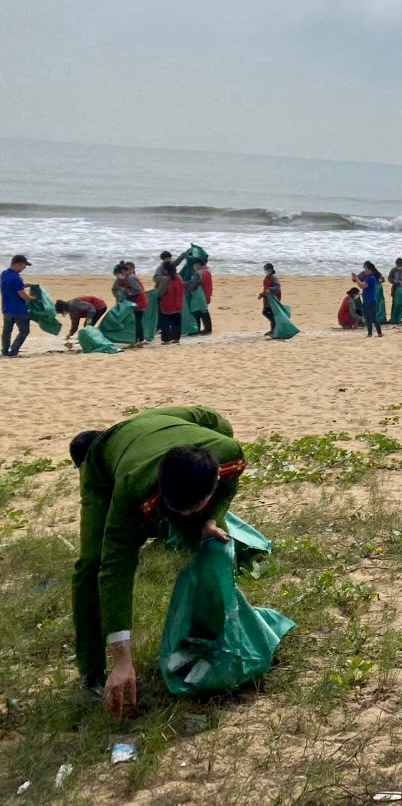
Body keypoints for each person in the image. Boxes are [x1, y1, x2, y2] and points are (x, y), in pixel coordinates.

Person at [69, 406, 244, 715]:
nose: (185, 517)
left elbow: (225, 481)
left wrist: (211, 519)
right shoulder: (132, 489)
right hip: (106, 456)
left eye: (191, 509)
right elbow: (115, 569)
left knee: (211, 543)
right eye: (175, 511)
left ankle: (210, 641)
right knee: (91, 563)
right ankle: (91, 674)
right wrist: (122, 659)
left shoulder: (228, 452)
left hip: (161, 423)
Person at [2, 254, 34, 358]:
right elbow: (22, 294)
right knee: (24, 331)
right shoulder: (16, 278)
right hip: (19, 309)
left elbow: (9, 287)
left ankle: (5, 351)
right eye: (24, 265)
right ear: (18, 264)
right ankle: (14, 351)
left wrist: (26, 285)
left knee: (7, 331)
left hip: (6, 308)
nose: (24, 268)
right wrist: (32, 299)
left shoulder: (4, 274)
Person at [155, 260, 185, 345]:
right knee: (176, 322)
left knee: (165, 322)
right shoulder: (179, 278)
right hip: (178, 303)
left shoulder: (166, 280)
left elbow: (160, 292)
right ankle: (176, 338)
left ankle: (166, 339)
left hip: (167, 304)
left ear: (165, 270)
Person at [121, 262, 149, 345]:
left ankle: (140, 339)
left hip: (139, 302)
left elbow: (137, 290)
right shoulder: (131, 277)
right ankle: (138, 339)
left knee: (137, 321)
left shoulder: (130, 278)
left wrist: (126, 291)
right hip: (139, 301)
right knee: (137, 321)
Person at [354, 262, 384, 338]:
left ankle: (379, 333)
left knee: (373, 318)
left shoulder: (371, 278)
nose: (365, 271)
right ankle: (369, 333)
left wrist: (356, 278)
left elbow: (361, 286)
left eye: (366, 269)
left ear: (370, 270)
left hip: (371, 302)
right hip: (366, 301)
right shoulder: (368, 277)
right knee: (367, 319)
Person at [186, 260, 212, 335]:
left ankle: (196, 329)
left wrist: (188, 288)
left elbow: (194, 285)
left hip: (199, 295)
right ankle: (208, 329)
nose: (194, 266)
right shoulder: (207, 271)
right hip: (207, 293)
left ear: (198, 264)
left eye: (195, 264)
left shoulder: (198, 273)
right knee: (205, 312)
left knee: (196, 312)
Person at [259, 263, 282, 336]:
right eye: (265, 270)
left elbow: (277, 288)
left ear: (271, 270)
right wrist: (262, 295)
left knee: (266, 312)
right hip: (267, 299)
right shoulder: (267, 278)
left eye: (266, 270)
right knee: (267, 313)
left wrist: (270, 289)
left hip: (273, 300)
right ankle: (273, 330)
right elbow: (266, 289)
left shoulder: (274, 278)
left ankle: (274, 329)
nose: (265, 271)